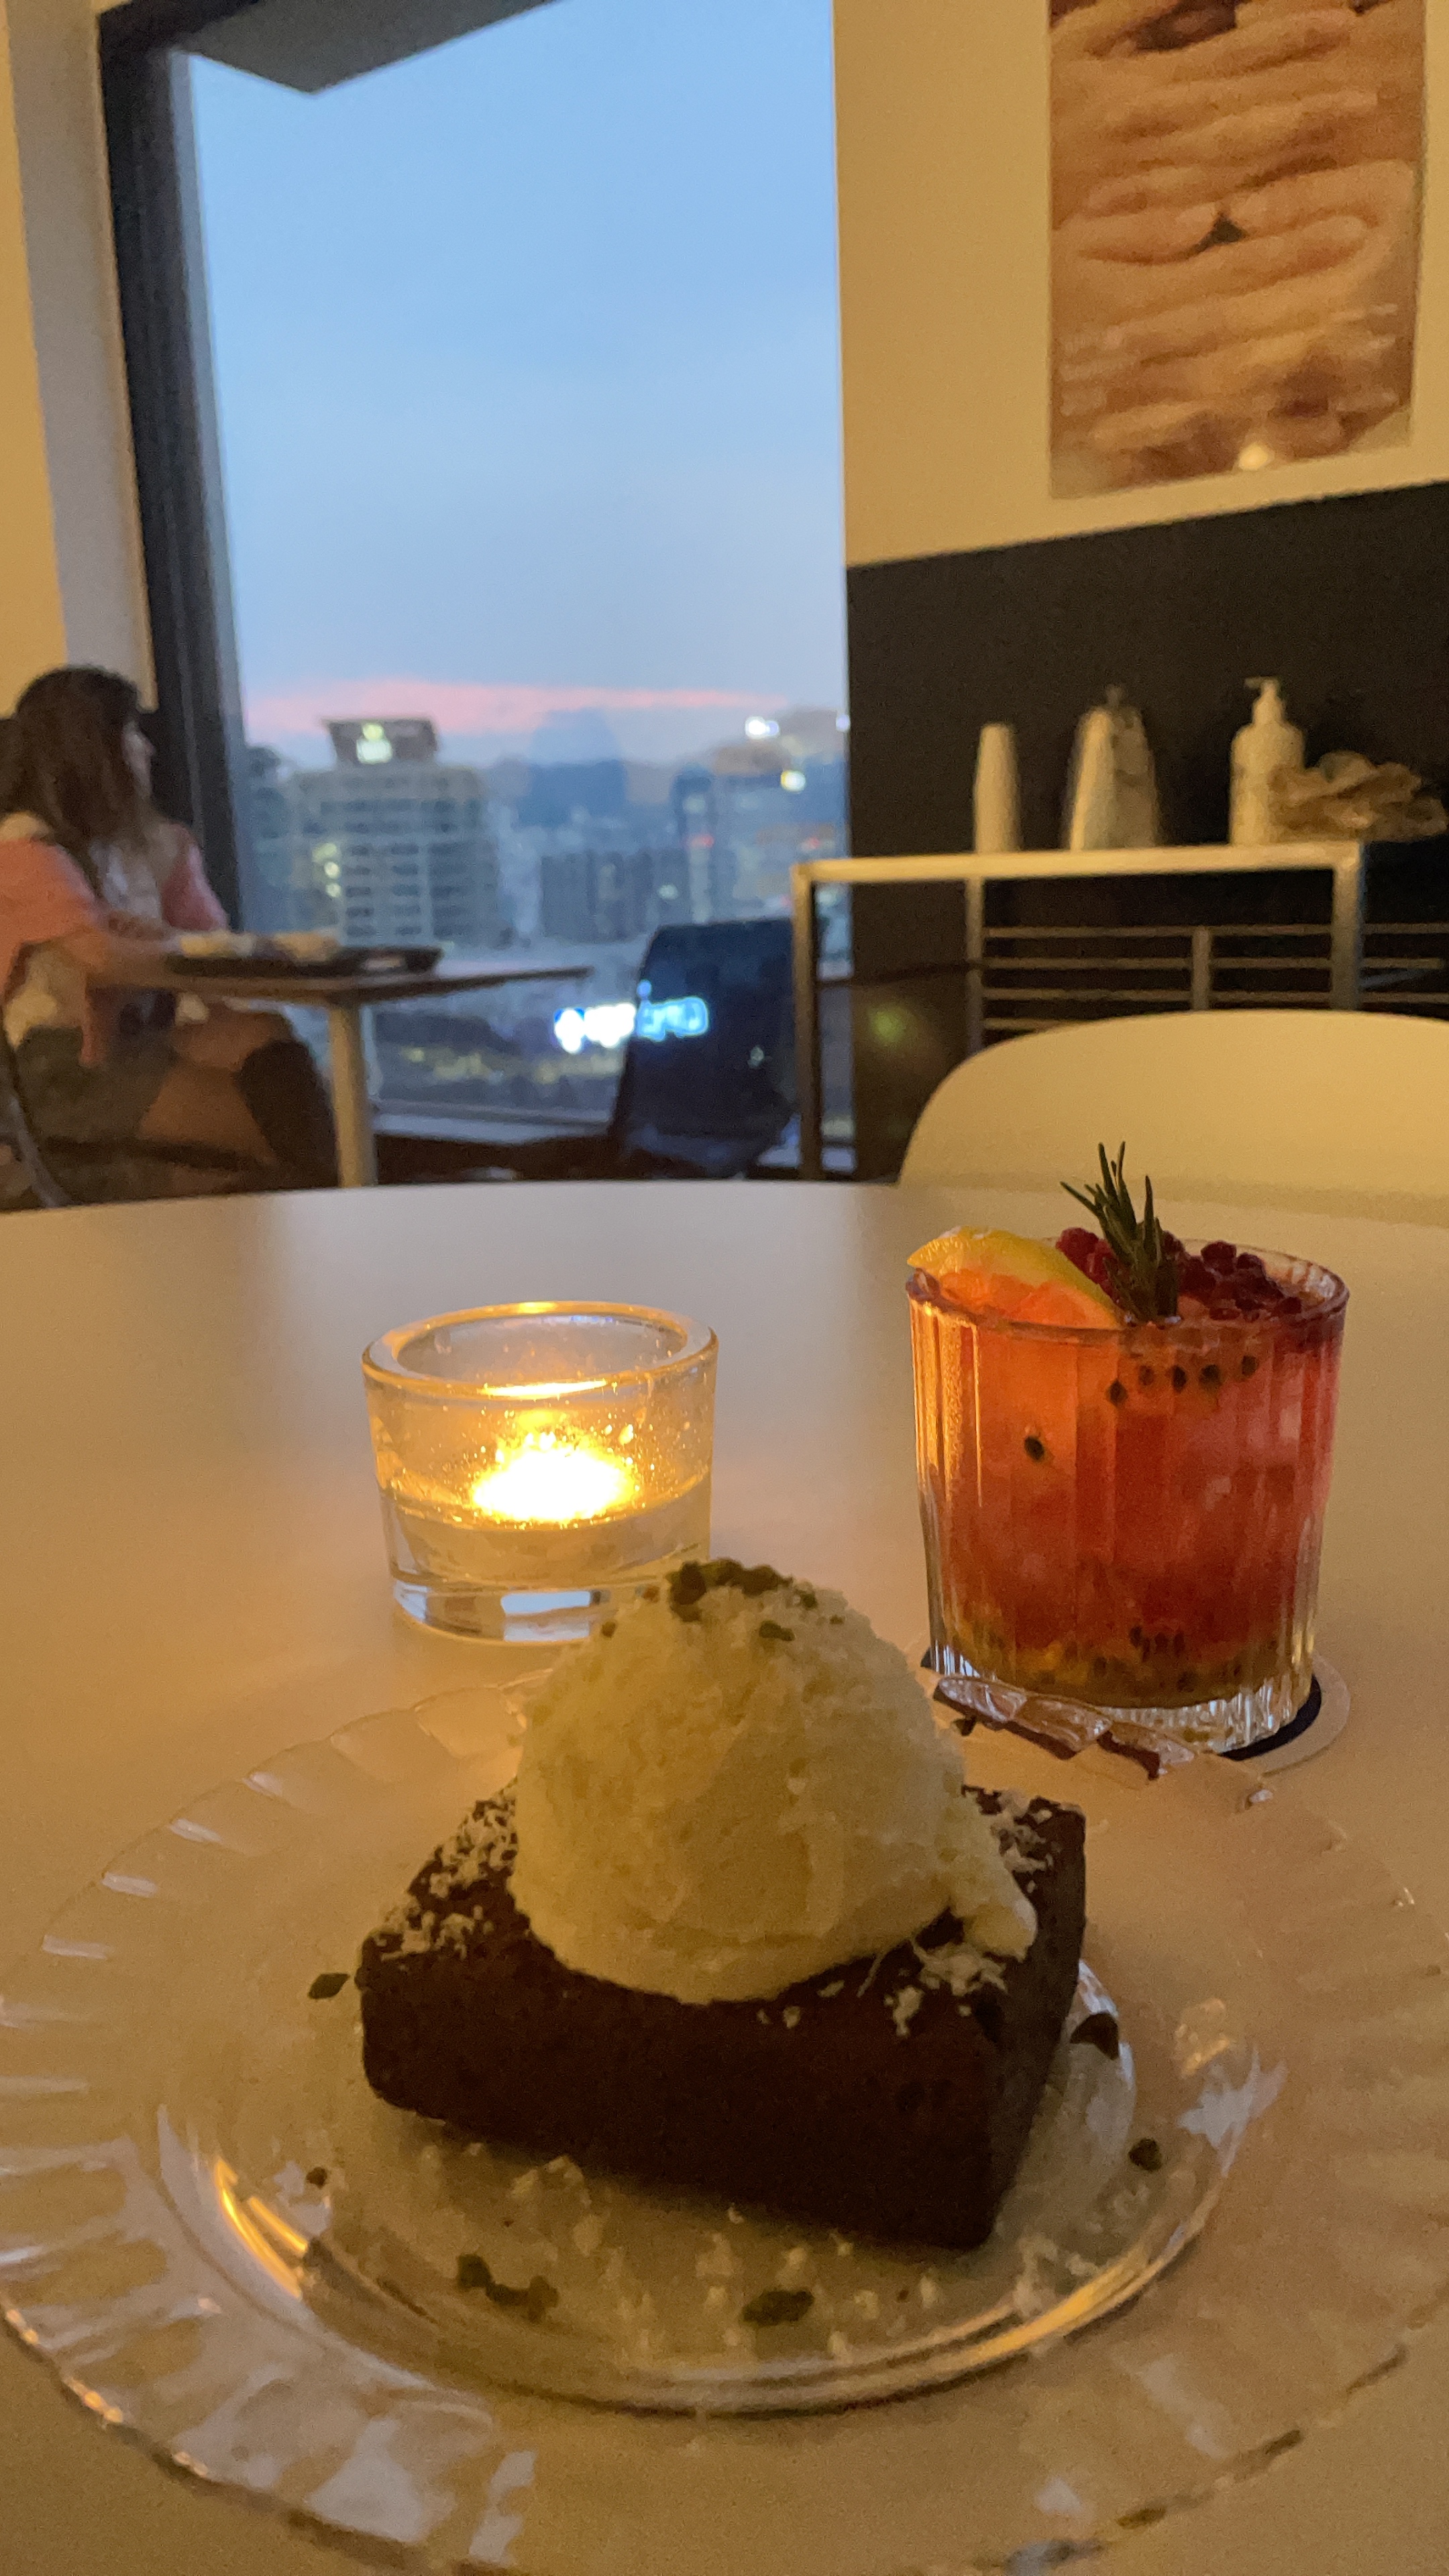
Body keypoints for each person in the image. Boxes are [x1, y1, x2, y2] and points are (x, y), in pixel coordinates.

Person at [0, 667, 335, 1187]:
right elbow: (102, 957)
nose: (147, 749)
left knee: (264, 1033)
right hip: (61, 1061)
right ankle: (331, 1191)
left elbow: (214, 952)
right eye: (132, 732)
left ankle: (329, 1187)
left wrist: (192, 942)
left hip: (139, 1038)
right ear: (93, 750)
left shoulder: (155, 847)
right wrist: (180, 946)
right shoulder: (24, 850)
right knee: (270, 1132)